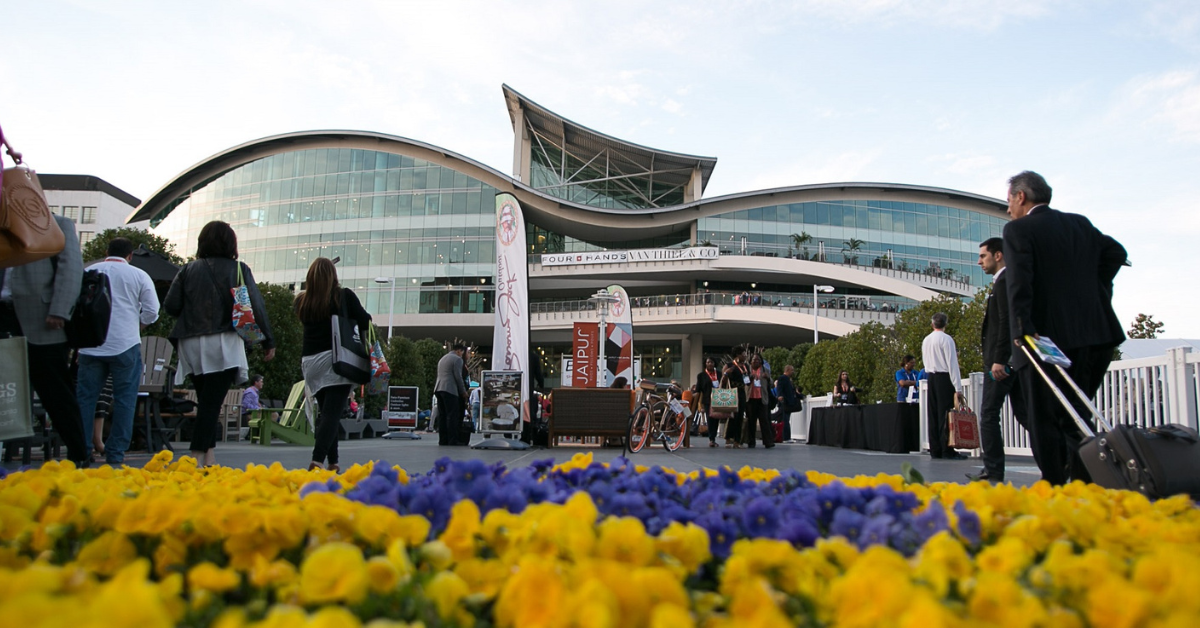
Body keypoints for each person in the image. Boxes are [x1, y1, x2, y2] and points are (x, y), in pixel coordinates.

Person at [1002, 171, 1126, 485]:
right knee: (1077, 414)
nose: (1008, 210)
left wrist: (1021, 330)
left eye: (1008, 201)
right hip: (1095, 335)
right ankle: (1086, 481)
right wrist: (1095, 292)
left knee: (1042, 417)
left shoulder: (1018, 230)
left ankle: (1055, 485)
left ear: (1020, 197)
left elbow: (1019, 283)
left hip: (1046, 338)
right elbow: (1116, 253)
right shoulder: (1080, 224)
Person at [166, 221, 275, 467]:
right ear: (231, 244)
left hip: (191, 341)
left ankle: (209, 457)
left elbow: (171, 306)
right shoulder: (239, 269)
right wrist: (268, 339)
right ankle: (195, 456)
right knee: (211, 402)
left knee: (207, 399)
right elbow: (256, 305)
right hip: (224, 342)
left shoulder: (187, 270)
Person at [0, 214, 89, 466]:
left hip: (41, 317)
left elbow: (71, 267)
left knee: (55, 391)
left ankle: (78, 453)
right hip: (3, 314)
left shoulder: (55, 223)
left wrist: (60, 308)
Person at [75, 237, 159, 466]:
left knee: (85, 399)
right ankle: (115, 453)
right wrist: (137, 324)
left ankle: (82, 450)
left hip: (91, 344)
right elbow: (152, 311)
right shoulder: (139, 275)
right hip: (125, 343)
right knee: (125, 400)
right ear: (130, 255)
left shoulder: (89, 270)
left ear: (106, 251)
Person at [294, 257, 369, 471]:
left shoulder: (301, 301)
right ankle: (317, 461)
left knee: (328, 412)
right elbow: (365, 321)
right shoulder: (342, 296)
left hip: (310, 363)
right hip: (336, 359)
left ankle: (333, 463)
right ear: (333, 276)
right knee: (332, 413)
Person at [967, 237, 1029, 483]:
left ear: (998, 255)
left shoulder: (1003, 282)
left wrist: (999, 359)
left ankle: (993, 470)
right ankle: (1059, 458)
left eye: (983, 256)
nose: (979, 261)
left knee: (989, 414)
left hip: (1001, 363)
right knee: (1025, 415)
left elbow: (1006, 322)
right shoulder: (1006, 281)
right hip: (1014, 361)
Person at [921, 312, 966, 460]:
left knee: (933, 414)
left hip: (931, 377)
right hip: (944, 377)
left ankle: (935, 449)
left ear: (932, 324)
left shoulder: (926, 340)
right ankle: (947, 450)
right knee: (946, 415)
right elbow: (952, 364)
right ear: (945, 324)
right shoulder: (947, 340)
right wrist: (958, 387)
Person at [435, 344, 469, 446]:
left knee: (442, 415)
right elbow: (458, 377)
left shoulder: (443, 358)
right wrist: (463, 391)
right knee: (452, 415)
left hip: (439, 388)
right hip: (450, 389)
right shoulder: (457, 359)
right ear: (459, 351)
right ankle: (452, 439)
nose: (462, 355)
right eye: (462, 352)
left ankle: (443, 439)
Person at [744, 354, 774, 448]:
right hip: (750, 398)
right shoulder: (747, 369)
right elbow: (744, 382)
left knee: (764, 421)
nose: (756, 361)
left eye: (758, 360)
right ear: (751, 361)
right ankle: (751, 442)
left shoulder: (765, 370)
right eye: (754, 360)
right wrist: (750, 378)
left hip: (762, 399)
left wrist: (768, 378)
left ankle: (768, 442)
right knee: (751, 421)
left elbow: (772, 384)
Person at [693, 357, 719, 447]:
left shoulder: (719, 374)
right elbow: (698, 389)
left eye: (712, 362)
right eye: (708, 362)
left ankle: (714, 437)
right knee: (710, 418)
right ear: (705, 364)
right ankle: (711, 439)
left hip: (719, 399)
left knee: (717, 419)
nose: (710, 364)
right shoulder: (701, 375)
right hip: (708, 400)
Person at [775, 364, 800, 442]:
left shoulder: (789, 379)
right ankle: (786, 437)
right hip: (784, 402)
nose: (793, 372)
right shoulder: (783, 378)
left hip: (787, 402)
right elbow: (779, 387)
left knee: (786, 420)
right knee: (785, 420)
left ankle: (785, 436)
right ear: (788, 370)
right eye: (792, 370)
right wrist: (780, 395)